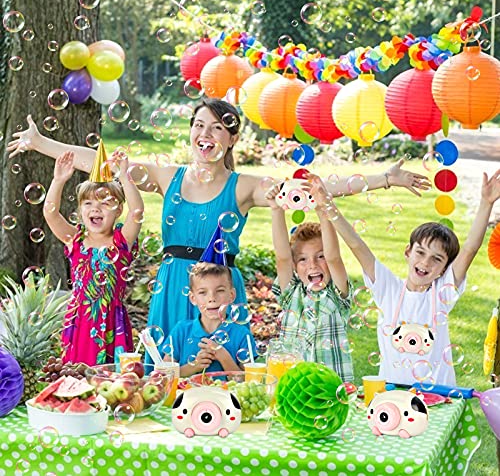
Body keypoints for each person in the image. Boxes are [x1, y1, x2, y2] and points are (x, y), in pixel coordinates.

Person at [8, 99, 430, 354]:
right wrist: (41, 144)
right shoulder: (165, 175)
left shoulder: (242, 186)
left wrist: (383, 178)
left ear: (231, 140)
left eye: (217, 128)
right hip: (173, 285)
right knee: (170, 374)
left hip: (221, 289)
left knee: (219, 375)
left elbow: (311, 189)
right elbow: (96, 163)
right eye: (199, 125)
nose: (205, 134)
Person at [325, 169, 500, 386]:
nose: (425, 263)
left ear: (445, 269)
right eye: (420, 252)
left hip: (438, 395)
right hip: (391, 393)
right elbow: (356, 245)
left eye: (436, 259)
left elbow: (469, 249)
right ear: (408, 252)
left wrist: (486, 203)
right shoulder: (387, 289)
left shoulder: (442, 293)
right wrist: (327, 206)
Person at [43, 150, 144, 365]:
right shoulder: (76, 240)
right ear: (80, 210)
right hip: (79, 321)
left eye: (105, 203)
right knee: (77, 376)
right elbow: (51, 213)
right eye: (88, 203)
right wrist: (58, 180)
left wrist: (124, 176)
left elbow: (137, 210)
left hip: (111, 324)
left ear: (118, 210)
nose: (95, 208)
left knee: (114, 382)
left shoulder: (121, 241)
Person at [266, 175, 353, 382]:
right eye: (303, 260)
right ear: (296, 267)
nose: (312, 264)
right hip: (293, 386)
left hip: (331, 387)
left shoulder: (337, 294)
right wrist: (276, 209)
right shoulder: (291, 294)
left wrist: (323, 210)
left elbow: (334, 257)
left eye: (319, 256)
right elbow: (282, 257)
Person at [162, 262, 258, 376]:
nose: (212, 298)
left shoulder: (242, 335)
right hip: (188, 393)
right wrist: (194, 366)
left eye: (220, 290)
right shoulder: (181, 331)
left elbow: (248, 381)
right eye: (203, 292)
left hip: (226, 394)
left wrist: (223, 357)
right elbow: (164, 375)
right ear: (193, 298)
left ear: (231, 295)